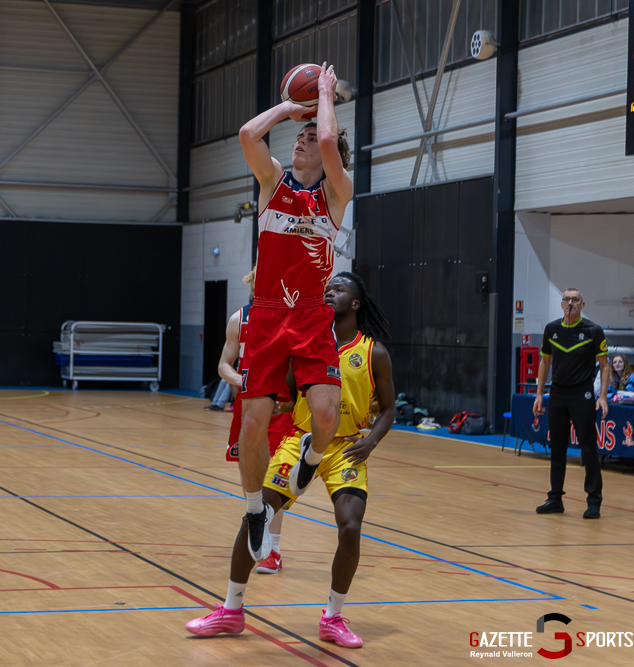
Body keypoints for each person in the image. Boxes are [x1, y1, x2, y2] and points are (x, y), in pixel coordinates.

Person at [186, 272, 395, 647]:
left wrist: (372, 441)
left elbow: (390, 409)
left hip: (346, 448)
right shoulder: (306, 345)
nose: (330, 291)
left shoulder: (373, 352)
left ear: (356, 303)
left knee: (350, 527)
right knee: (257, 517)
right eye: (327, 287)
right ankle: (231, 610)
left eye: (340, 288)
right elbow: (283, 394)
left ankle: (333, 617)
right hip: (300, 440)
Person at [235, 62, 353, 562]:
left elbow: (330, 143)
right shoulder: (272, 182)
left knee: (326, 415)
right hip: (266, 313)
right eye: (297, 134)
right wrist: (289, 106)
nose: (301, 140)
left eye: (308, 134)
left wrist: (324, 94)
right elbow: (246, 133)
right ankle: (256, 507)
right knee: (254, 420)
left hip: (308, 315)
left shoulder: (335, 194)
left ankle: (313, 453)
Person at [219, 267, 293, 574]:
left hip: (279, 406)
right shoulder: (240, 318)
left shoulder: (291, 317)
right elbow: (224, 365)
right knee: (250, 480)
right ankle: (259, 536)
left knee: (271, 481)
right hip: (247, 406)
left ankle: (273, 549)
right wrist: (242, 380)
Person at [533, 288, 610, 519]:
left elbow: (605, 366)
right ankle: (555, 498)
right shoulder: (551, 329)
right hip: (557, 394)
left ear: (582, 304)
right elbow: (545, 362)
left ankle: (594, 501)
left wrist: (603, 397)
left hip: (582, 395)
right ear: (561, 304)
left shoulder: (593, 331)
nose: (570, 303)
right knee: (557, 449)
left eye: (575, 300)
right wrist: (539, 394)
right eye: (567, 299)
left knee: (588, 449)